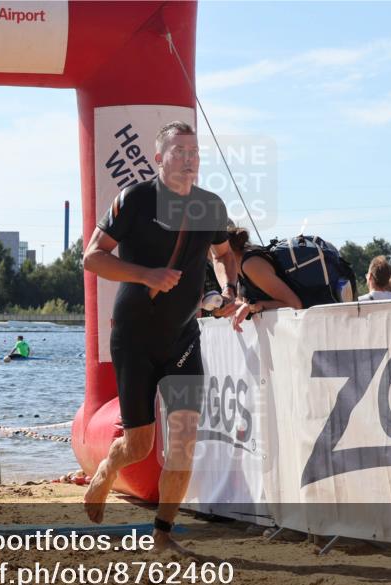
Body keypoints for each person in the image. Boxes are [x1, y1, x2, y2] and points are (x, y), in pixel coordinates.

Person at [81, 120, 240, 551]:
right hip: (134, 338)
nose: (189, 160)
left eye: (194, 153)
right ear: (159, 158)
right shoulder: (135, 199)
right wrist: (146, 274)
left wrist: (228, 289)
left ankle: (163, 535)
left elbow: (224, 255)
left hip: (182, 338)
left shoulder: (209, 206)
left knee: (185, 439)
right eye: (179, 152)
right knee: (138, 445)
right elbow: (92, 257)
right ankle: (107, 469)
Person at [223, 226, 303, 332]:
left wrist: (251, 307)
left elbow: (295, 305)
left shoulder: (251, 265)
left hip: (306, 328)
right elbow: (243, 302)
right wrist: (223, 306)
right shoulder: (238, 268)